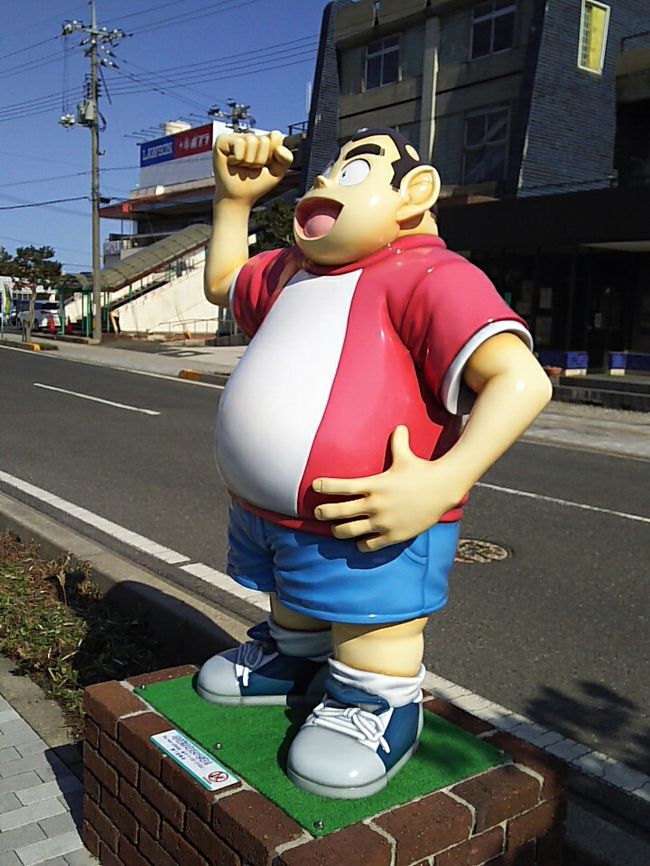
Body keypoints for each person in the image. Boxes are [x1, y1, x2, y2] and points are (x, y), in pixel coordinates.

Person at [198, 127, 552, 799]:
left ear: (413, 196)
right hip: (269, 515)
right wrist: (233, 204)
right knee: (296, 601)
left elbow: (520, 380)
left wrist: (445, 479)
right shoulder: (288, 272)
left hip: (372, 516)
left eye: (353, 172)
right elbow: (222, 283)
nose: (324, 183)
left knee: (372, 624)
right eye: (327, 170)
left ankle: (375, 704)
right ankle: (292, 657)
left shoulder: (429, 274)